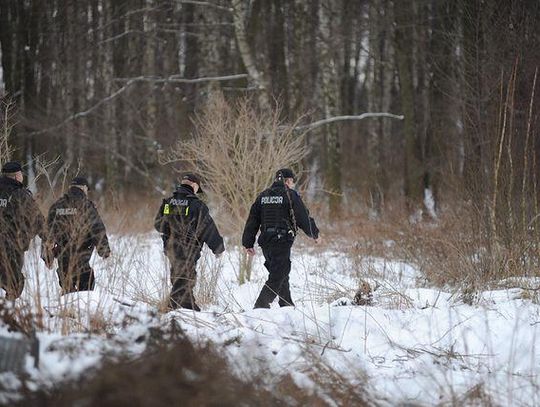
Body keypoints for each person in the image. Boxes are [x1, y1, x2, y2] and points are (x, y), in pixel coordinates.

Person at [242, 168, 320, 309]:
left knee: (280, 272)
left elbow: (252, 220)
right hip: (282, 240)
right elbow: (303, 217)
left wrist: (248, 242)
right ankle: (260, 306)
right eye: (292, 182)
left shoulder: (262, 196)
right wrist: (314, 234)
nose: (292, 185)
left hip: (266, 242)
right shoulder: (290, 195)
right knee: (278, 275)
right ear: (288, 181)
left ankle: (286, 304)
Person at [154, 173, 224, 311]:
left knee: (179, 275)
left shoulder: (168, 203)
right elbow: (208, 228)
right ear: (193, 185)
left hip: (171, 247)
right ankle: (173, 305)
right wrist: (218, 248)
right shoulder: (196, 205)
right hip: (189, 248)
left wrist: (171, 229)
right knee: (186, 277)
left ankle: (187, 305)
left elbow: (158, 225)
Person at [44, 177, 111, 293]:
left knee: (67, 288)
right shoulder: (86, 205)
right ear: (83, 188)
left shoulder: (57, 206)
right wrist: (104, 251)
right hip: (83, 256)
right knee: (86, 289)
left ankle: (67, 306)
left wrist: (47, 257)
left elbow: (47, 233)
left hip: (62, 256)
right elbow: (97, 229)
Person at [0, 161, 46, 299]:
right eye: (21, 174)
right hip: (11, 245)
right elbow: (37, 220)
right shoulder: (20, 194)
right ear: (16, 176)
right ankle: (9, 313)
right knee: (14, 282)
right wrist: (49, 238)